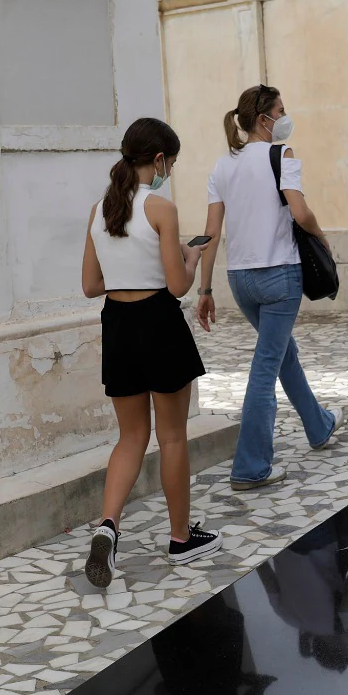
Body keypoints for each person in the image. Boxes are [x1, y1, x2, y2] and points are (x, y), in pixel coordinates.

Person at [81, 117, 220, 587]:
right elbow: (178, 285)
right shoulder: (162, 208)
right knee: (173, 437)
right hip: (159, 323)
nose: (170, 170)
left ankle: (108, 526)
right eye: (171, 162)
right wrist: (191, 257)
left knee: (130, 437)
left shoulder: (99, 211)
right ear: (158, 159)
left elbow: (90, 285)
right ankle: (181, 539)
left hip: (117, 325)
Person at [196, 84, 341, 490]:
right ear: (264, 119)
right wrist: (323, 239)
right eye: (281, 110)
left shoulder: (222, 165)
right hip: (279, 276)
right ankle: (250, 467)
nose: (285, 116)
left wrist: (204, 290)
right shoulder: (282, 154)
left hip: (239, 280)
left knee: (281, 353)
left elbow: (210, 233)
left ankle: (319, 425)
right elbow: (301, 211)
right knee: (265, 369)